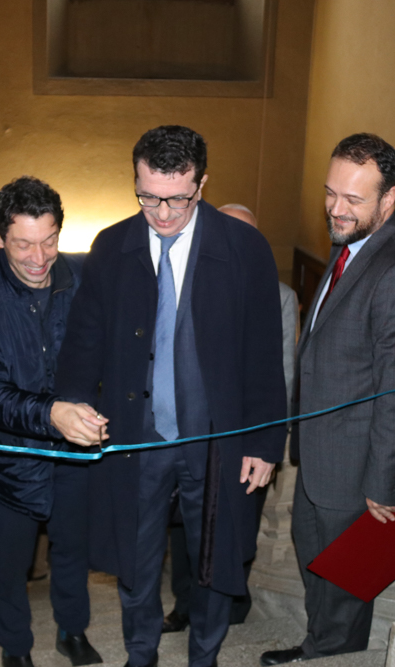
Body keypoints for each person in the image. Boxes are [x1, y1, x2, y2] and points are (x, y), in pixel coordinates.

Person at [56, 126, 287, 667]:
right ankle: (141, 654)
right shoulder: (111, 246)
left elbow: (263, 354)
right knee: (135, 561)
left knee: (214, 557)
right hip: (137, 435)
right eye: (148, 196)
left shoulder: (244, 248)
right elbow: (84, 340)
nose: (161, 213)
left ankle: (204, 655)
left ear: (202, 184)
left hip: (216, 437)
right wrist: (69, 403)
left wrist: (264, 441)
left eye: (177, 199)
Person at [260, 133, 395, 664]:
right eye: (330, 193)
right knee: (316, 564)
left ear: (389, 199)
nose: (336, 209)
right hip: (323, 453)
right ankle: (317, 646)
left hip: (357, 469)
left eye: (354, 199)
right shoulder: (353, 241)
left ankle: (332, 655)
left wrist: (384, 485)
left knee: (344, 587)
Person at [0, 176, 106, 667]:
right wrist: (52, 414)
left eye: (49, 241)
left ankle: (72, 631)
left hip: (76, 452)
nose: (39, 258)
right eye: (23, 245)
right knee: (11, 562)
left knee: (72, 550)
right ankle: (15, 648)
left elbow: (107, 355)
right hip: (9, 459)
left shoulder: (84, 278)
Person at [162, 203, 300, 633]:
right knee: (183, 526)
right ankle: (184, 604)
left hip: (244, 435)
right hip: (189, 433)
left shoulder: (279, 294)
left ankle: (230, 605)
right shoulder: (182, 277)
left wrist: (267, 436)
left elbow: (280, 369)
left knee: (237, 526)